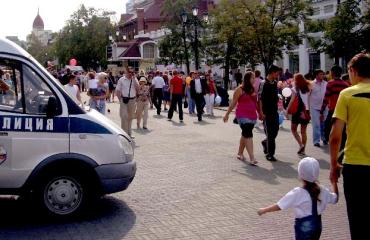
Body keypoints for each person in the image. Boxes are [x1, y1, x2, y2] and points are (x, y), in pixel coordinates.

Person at [330, 53, 370, 240]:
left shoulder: (347, 94)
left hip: (356, 166)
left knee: (357, 221)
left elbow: (335, 136)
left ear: (353, 71)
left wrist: (333, 166)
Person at [258, 157, 338, 240]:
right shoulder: (323, 190)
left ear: (300, 175)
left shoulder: (298, 192)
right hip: (318, 226)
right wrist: (334, 182)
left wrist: (264, 210)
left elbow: (280, 205)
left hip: (303, 227)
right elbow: (335, 199)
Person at [223, 71, 258, 165]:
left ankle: (240, 153)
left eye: (254, 78)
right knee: (248, 134)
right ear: (247, 79)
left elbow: (256, 103)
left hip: (252, 116)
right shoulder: (239, 89)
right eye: (253, 78)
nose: (254, 79)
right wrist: (227, 114)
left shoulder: (253, 89)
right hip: (242, 115)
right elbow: (233, 103)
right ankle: (252, 158)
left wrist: (260, 113)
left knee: (245, 134)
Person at [320, 66, 350, 147]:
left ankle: (332, 144)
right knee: (343, 131)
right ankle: (342, 147)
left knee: (328, 128)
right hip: (344, 111)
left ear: (332, 73)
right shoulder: (345, 84)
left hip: (333, 110)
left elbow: (326, 98)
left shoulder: (330, 83)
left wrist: (321, 110)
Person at [258, 65, 281, 161]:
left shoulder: (275, 83)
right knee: (270, 134)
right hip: (266, 113)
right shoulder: (263, 83)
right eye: (277, 73)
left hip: (274, 111)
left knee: (275, 131)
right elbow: (259, 99)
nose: (278, 75)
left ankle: (265, 142)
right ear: (271, 72)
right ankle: (270, 154)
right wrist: (261, 112)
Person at [287, 74, 311, 156]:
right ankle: (303, 150)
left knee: (293, 129)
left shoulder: (295, 89)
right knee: (303, 131)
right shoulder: (308, 88)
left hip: (297, 111)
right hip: (306, 111)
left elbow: (292, 100)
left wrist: (287, 110)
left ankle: (301, 144)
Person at [116, 68, 139, 138]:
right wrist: (120, 100)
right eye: (129, 72)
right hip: (124, 100)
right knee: (124, 116)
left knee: (130, 117)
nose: (130, 74)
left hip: (132, 100)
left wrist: (135, 79)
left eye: (132, 72)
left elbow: (138, 88)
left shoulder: (134, 79)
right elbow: (117, 90)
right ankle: (124, 134)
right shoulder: (121, 80)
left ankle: (129, 133)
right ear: (126, 72)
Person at [309, 70, 328, 147]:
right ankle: (316, 141)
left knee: (324, 123)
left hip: (324, 106)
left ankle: (324, 138)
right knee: (316, 124)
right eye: (321, 74)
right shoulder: (311, 84)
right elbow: (307, 95)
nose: (322, 76)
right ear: (316, 75)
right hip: (314, 107)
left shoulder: (326, 84)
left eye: (323, 74)